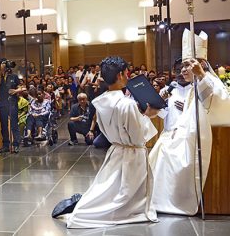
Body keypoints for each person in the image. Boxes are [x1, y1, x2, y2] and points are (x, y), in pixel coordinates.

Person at [53, 56, 160, 228]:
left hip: (116, 149)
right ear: (120, 75)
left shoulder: (99, 100)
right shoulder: (127, 104)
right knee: (125, 198)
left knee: (109, 189)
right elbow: (138, 138)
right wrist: (148, 116)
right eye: (127, 72)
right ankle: (84, 209)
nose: (128, 75)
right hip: (132, 154)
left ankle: (84, 204)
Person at [149, 29, 230, 215]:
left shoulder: (207, 79)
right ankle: (159, 197)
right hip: (181, 133)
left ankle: (174, 199)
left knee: (168, 153)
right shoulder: (183, 86)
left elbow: (214, 102)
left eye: (188, 65)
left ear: (200, 65)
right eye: (182, 66)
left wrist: (201, 75)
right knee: (159, 152)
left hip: (200, 137)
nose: (183, 70)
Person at [0, 58, 24, 154]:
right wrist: (1, 71)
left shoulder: (14, 76)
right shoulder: (0, 76)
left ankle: (16, 145)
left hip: (12, 103)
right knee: (3, 125)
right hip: (3, 103)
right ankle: (5, 145)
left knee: (14, 125)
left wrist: (15, 91)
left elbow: (22, 87)